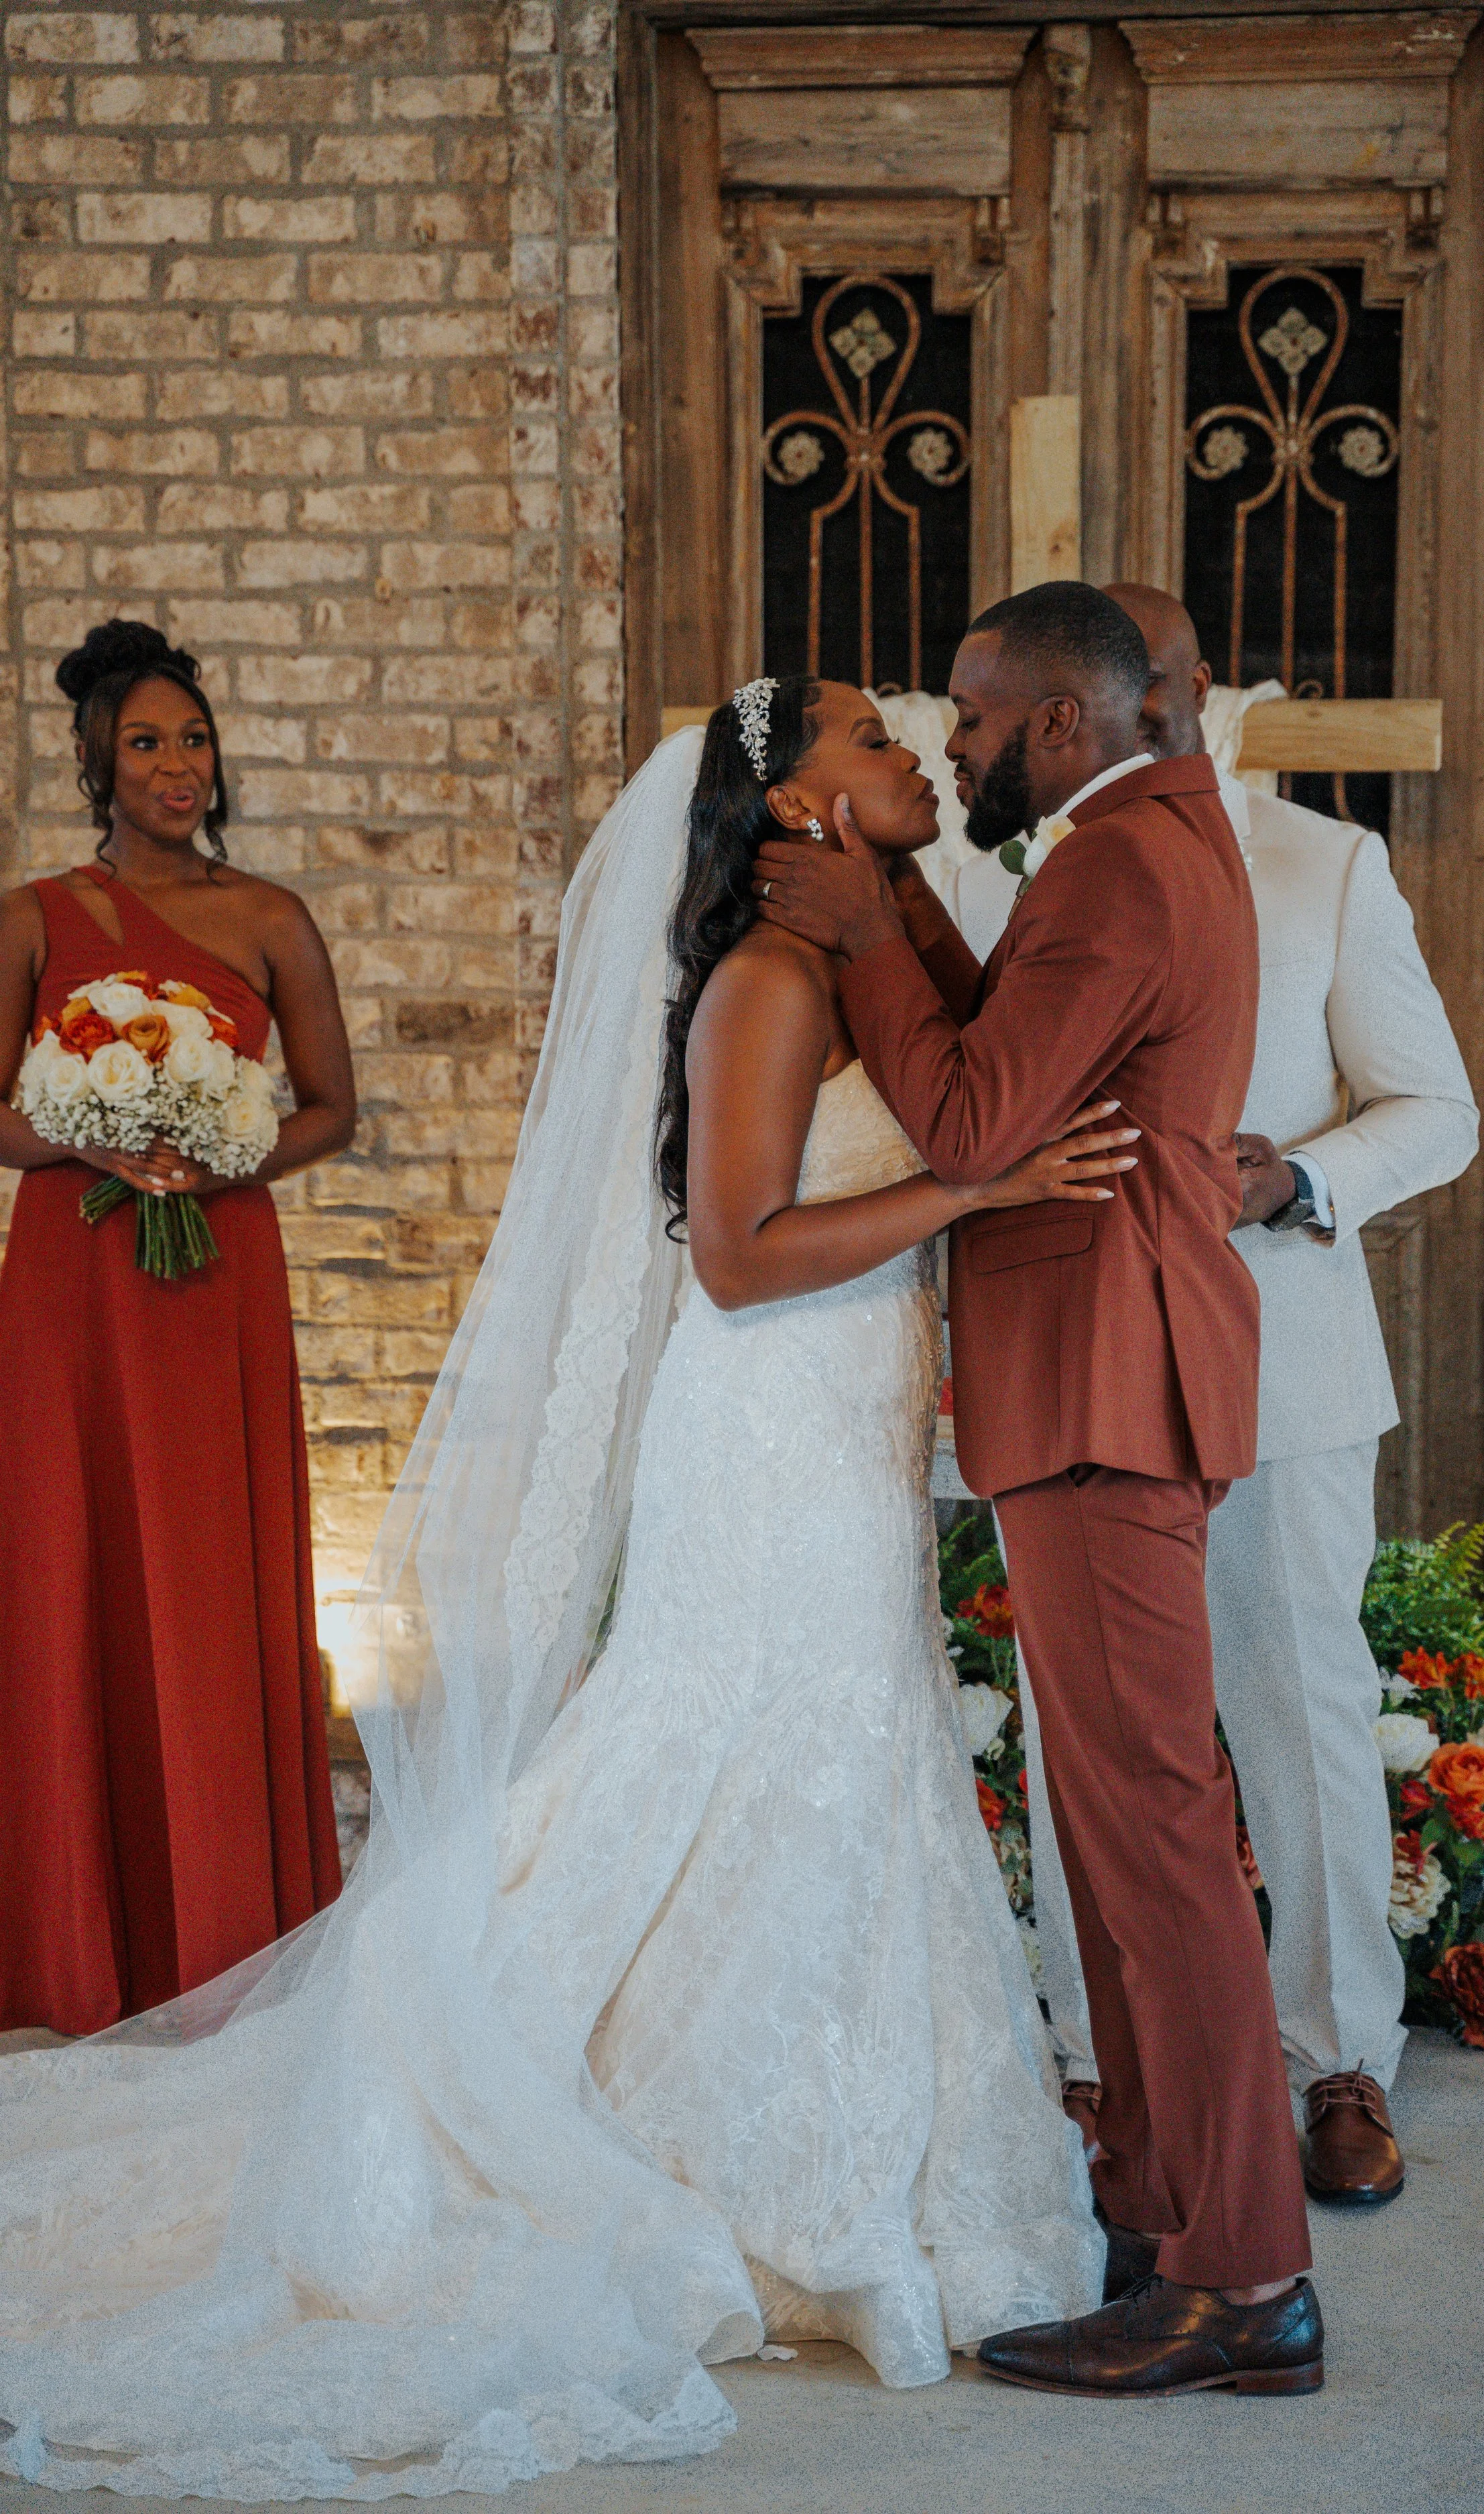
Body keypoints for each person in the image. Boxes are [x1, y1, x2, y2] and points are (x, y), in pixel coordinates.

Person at [0, 685, 1117, 2493]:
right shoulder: (761, 984)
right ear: (788, 805)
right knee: (723, 1750)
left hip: (844, 1427)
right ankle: (684, 2142)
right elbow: (744, 1262)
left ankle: (849, 2151)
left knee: (845, 1763)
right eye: (861, 733)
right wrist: (969, 1190)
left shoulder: (864, 956)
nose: (909, 742)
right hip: (760, 1430)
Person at [755, 581, 1323, 2401]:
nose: (954, 748)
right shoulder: (1143, 838)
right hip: (1101, 1371)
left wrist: (850, 927)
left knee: (1154, 1831)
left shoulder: (1114, 863)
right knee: (1118, 1827)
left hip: (1105, 1376)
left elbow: (978, 1116)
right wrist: (904, 896)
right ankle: (1162, 2200)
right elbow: (1015, 1037)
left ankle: (1244, 2273)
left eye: (975, 723)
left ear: (1059, 724)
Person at [1069, 580, 1472, 2201]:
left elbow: (1429, 1109)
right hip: (1088, 1369)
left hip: (1281, 1357)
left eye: (1162, 688)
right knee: (1079, 1725)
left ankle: (1337, 2068)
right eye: (1115, 696)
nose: (1143, 720)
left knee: (1297, 1710)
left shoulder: (1322, 863)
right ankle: (1110, 2070)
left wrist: (1289, 1183)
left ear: (1201, 687)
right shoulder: (1009, 861)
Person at [0, 620, 354, 2037]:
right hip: (74, 1286)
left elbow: (329, 1104)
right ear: (95, 760)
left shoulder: (268, 917)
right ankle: (73, 1944)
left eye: (192, 740)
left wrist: (220, 1159)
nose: (176, 766)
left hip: (214, 1270)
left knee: (209, 1577)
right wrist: (92, 1133)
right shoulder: (30, 914)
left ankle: (225, 1926)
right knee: (69, 1564)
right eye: (145, 743)